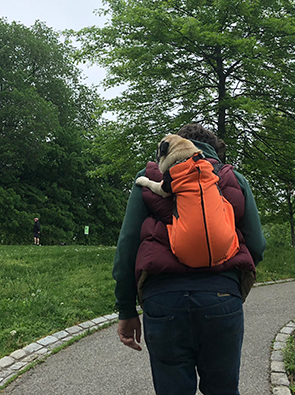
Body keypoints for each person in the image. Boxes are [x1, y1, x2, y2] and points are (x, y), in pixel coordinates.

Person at [112, 124, 266, 395]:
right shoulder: (233, 179)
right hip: (221, 299)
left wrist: (126, 310)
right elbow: (257, 245)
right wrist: (230, 281)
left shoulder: (148, 178)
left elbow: (128, 247)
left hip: (163, 300)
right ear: (214, 153)